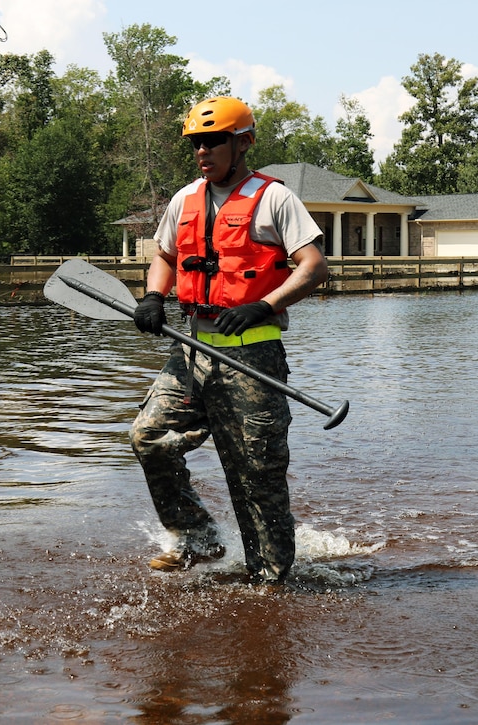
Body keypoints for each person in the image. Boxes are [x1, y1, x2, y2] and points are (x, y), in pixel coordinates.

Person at [130, 95, 328, 583]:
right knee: (149, 436)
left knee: (256, 475)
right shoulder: (184, 200)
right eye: (197, 143)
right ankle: (196, 535)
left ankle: (272, 581)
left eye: (213, 141)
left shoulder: (275, 198)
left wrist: (266, 304)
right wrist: (154, 296)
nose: (203, 151)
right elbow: (166, 256)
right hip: (191, 353)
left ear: (242, 143)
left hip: (253, 359)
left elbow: (314, 266)